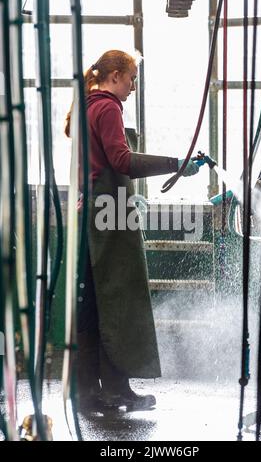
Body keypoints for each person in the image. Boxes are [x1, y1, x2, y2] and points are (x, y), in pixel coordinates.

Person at [64, 50, 199, 413]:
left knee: (93, 306)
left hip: (91, 212)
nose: (133, 87)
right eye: (131, 79)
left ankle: (88, 392)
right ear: (115, 76)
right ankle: (117, 392)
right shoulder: (107, 107)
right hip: (110, 216)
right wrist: (177, 164)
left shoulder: (86, 107)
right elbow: (121, 160)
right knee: (119, 305)